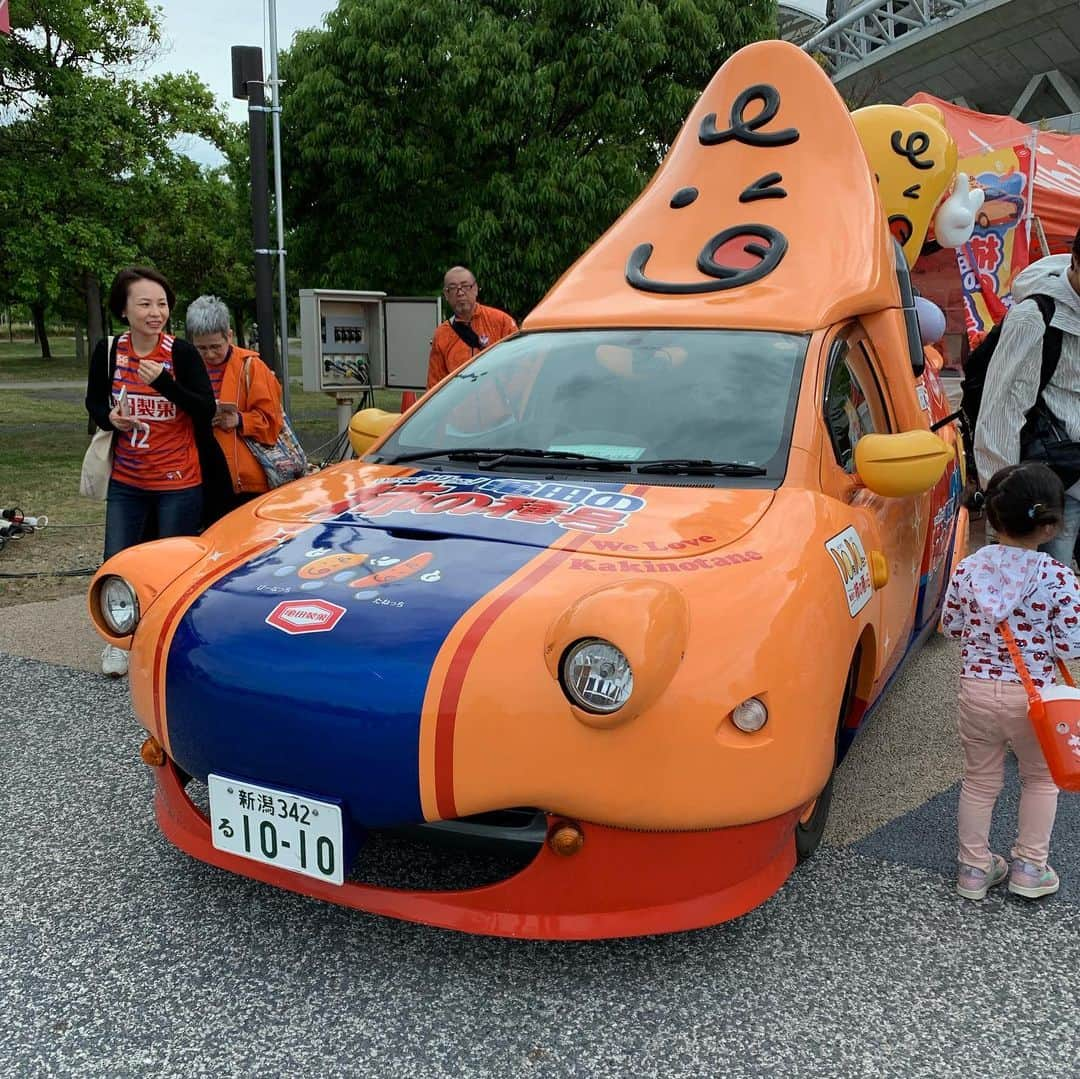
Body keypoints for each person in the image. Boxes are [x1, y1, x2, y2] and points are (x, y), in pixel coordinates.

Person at [940, 462, 1080, 901]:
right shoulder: (1058, 579)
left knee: (980, 781)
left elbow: (950, 626)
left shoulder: (968, 569)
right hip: (1035, 699)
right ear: (1050, 525)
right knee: (1040, 780)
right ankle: (1028, 868)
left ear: (994, 516)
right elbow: (1070, 646)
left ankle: (974, 871)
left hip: (977, 692)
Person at [85, 266, 215, 677]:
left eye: (161, 304)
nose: (155, 312)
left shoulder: (180, 353)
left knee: (173, 568)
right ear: (124, 310)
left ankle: (167, 646)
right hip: (128, 480)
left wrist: (164, 383)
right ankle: (118, 644)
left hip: (179, 481)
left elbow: (205, 408)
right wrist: (111, 418)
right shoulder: (109, 351)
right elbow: (93, 406)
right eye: (144, 304)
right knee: (117, 561)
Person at [974, 230, 1080, 563]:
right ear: (1076, 262)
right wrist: (1004, 504)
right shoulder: (1034, 317)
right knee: (1043, 591)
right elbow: (1001, 409)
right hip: (1057, 484)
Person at [185, 295, 283, 524]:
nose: (209, 354)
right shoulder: (187, 367)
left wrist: (239, 420)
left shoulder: (252, 367)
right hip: (199, 475)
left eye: (215, 347)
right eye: (201, 348)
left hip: (244, 482)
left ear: (229, 336)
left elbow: (272, 422)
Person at [426, 265, 518, 389]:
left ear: (476, 289)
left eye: (465, 286)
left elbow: (519, 368)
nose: (460, 293)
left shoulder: (501, 322)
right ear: (446, 295)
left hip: (497, 404)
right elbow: (435, 386)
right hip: (460, 406)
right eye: (453, 288)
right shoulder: (442, 335)